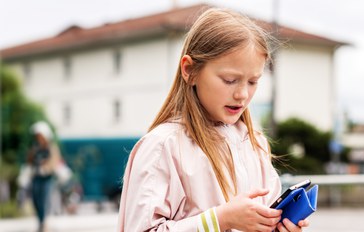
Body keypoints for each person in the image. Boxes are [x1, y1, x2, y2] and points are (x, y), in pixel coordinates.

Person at [117, 8, 310, 232]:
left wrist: (278, 228)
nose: (242, 94)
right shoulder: (162, 147)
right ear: (189, 70)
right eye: (230, 80)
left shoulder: (255, 144)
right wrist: (220, 219)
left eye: (253, 82)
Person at [27, 121, 61, 232]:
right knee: (36, 199)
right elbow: (29, 160)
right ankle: (40, 220)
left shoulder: (51, 147)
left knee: (44, 199)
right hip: (36, 176)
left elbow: (54, 161)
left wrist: (46, 166)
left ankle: (43, 222)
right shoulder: (35, 147)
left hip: (47, 178)